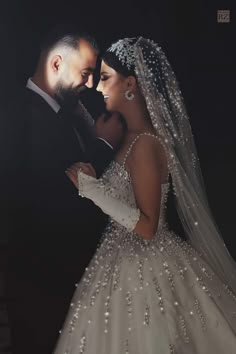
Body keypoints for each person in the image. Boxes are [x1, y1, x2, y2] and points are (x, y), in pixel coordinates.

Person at [55, 36, 236, 353]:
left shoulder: (146, 144)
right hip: (118, 259)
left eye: (106, 78)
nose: (98, 87)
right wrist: (96, 180)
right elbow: (127, 199)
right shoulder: (132, 138)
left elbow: (149, 227)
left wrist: (94, 190)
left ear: (131, 83)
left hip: (144, 266)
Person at [1, 28, 125, 354]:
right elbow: (59, 197)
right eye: (85, 73)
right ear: (56, 64)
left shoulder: (64, 112)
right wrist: (101, 146)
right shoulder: (25, 115)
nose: (89, 83)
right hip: (41, 282)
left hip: (65, 277)